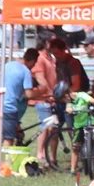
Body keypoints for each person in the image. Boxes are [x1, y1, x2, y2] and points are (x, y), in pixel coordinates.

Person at [56, 80, 94, 175]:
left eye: (63, 99)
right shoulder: (69, 102)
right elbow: (68, 108)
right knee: (75, 146)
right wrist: (69, 110)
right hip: (79, 125)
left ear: (67, 95)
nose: (64, 101)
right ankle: (73, 169)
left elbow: (93, 101)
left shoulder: (81, 95)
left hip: (89, 122)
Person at [0, 48, 40, 146]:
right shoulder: (26, 71)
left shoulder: (8, 65)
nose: (34, 66)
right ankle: (5, 156)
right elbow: (28, 94)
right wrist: (43, 91)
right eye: (35, 63)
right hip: (8, 108)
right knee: (8, 138)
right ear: (33, 61)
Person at [32, 39, 59, 169]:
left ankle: (51, 157)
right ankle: (40, 153)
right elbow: (40, 77)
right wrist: (49, 94)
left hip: (52, 98)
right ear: (47, 43)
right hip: (44, 99)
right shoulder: (40, 58)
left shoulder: (51, 58)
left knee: (52, 128)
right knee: (45, 126)